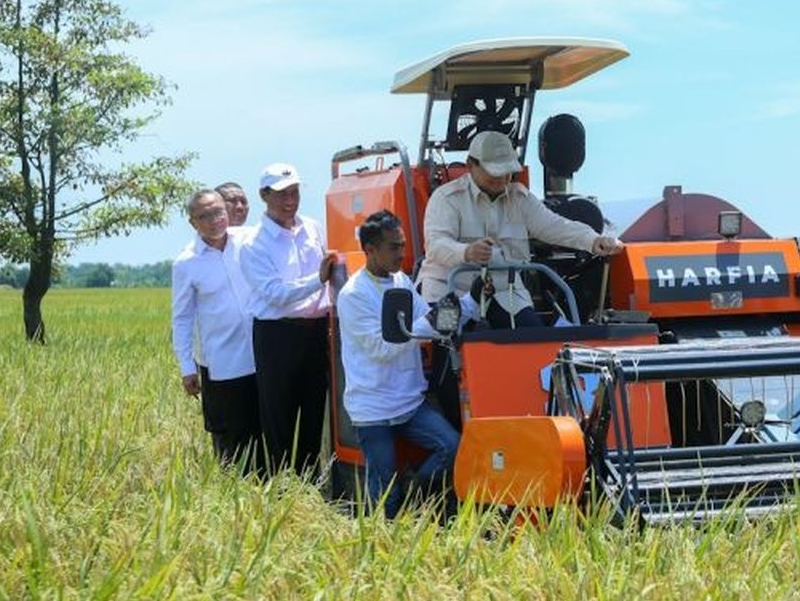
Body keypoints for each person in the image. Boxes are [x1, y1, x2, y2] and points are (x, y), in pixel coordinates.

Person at [336, 210, 474, 518]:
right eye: (393, 247)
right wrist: (431, 322)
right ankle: (381, 543)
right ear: (369, 250)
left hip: (409, 403)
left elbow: (430, 322)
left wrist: (470, 302)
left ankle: (417, 491)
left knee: (454, 448)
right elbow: (385, 347)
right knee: (384, 493)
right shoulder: (353, 296)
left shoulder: (400, 280)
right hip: (373, 410)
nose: (402, 253)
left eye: (402, 244)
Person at [417, 130, 623, 328]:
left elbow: (554, 225)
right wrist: (467, 252)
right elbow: (436, 246)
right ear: (471, 165)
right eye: (493, 172)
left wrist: (594, 240)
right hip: (450, 293)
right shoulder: (446, 199)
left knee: (533, 342)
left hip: (506, 295)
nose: (501, 179)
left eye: (506, 172)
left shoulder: (520, 198)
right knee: (446, 348)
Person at [239, 162, 336, 476]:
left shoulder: (312, 228)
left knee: (313, 410)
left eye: (294, 192)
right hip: (277, 334)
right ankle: (277, 488)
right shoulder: (255, 243)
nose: (289, 200)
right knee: (278, 414)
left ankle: (308, 483)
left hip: (316, 329)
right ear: (264, 195)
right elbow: (274, 294)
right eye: (281, 194)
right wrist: (317, 281)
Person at [170, 189, 262, 472]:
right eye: (204, 216)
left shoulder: (248, 242)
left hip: (262, 355)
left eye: (218, 212)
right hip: (224, 362)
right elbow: (182, 317)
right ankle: (235, 494)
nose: (214, 220)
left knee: (266, 430)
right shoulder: (186, 263)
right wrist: (187, 366)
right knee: (231, 438)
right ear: (192, 222)